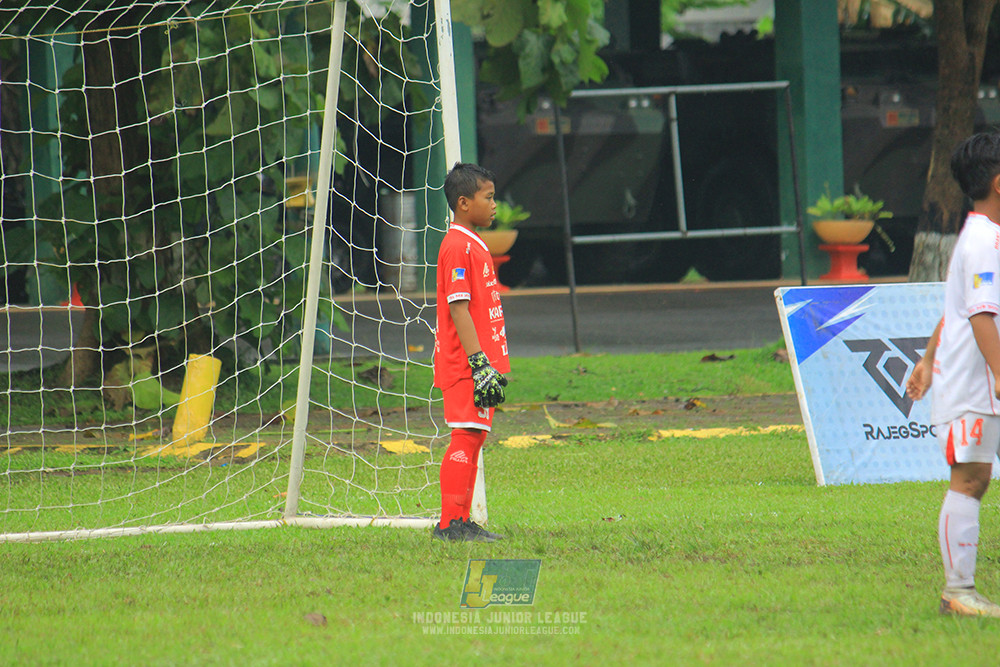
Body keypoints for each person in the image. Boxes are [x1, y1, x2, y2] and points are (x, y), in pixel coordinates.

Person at [907, 132, 1000, 617]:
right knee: (970, 479)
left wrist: (925, 358)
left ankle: (959, 591)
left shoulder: (983, 237)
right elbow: (981, 315)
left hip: (981, 381)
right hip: (977, 385)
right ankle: (957, 592)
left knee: (975, 478)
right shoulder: (983, 241)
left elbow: (955, 310)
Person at [431, 163, 510, 542]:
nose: (494, 205)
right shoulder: (459, 245)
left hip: (476, 362)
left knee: (474, 435)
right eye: (488, 197)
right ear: (464, 203)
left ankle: (460, 521)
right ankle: (450, 523)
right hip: (466, 363)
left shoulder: (470, 242)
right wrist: (479, 364)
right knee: (465, 435)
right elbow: (458, 306)